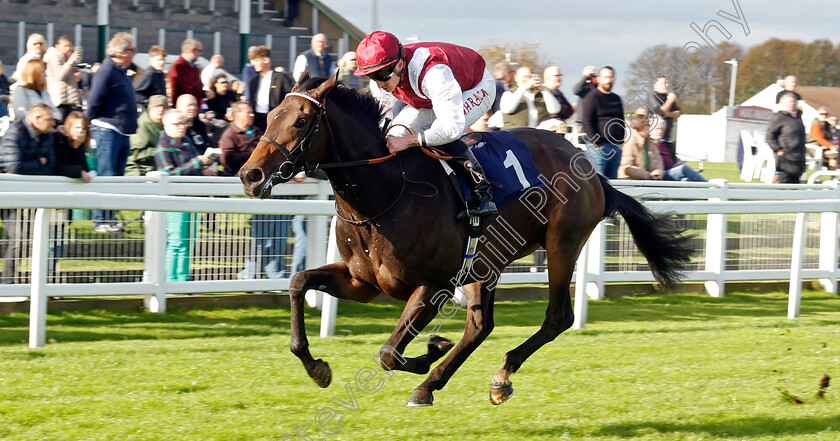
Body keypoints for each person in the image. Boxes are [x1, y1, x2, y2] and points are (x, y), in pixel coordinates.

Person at [353, 31, 498, 217]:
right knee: (394, 134)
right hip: (429, 97)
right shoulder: (382, 82)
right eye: (372, 76)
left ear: (399, 64)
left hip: (475, 87)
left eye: (382, 74)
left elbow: (450, 129)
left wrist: (409, 141)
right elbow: (381, 124)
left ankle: (483, 191)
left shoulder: (434, 73)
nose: (379, 84)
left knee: (441, 134)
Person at [154, 108, 217, 282]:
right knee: (177, 242)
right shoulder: (163, 147)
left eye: (184, 123)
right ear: (165, 125)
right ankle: (170, 280)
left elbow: (189, 168)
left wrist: (203, 167)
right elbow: (169, 174)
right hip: (174, 200)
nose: (181, 127)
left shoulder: (187, 142)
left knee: (189, 242)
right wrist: (197, 162)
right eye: (177, 124)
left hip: (190, 197)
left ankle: (183, 279)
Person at [87, 32, 138, 233]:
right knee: (106, 176)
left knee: (116, 177)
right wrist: (94, 124)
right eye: (132, 49)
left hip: (120, 131)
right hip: (107, 130)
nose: (134, 53)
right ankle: (100, 220)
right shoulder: (107, 70)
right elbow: (93, 101)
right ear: (122, 52)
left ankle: (110, 219)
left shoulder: (120, 71)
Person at [0, 104, 56, 284]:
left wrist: (36, 165)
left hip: (25, 192)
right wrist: (39, 162)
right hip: (7, 193)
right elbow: (16, 168)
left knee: (24, 239)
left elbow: (51, 166)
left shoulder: (46, 135)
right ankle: (8, 284)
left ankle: (8, 281)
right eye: (48, 120)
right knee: (19, 238)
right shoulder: (14, 134)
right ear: (36, 119)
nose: (52, 123)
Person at [580, 66, 625, 179]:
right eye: (605, 77)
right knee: (598, 185)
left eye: (611, 77)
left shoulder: (616, 99)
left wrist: (621, 142)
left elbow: (621, 120)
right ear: (598, 79)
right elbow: (587, 122)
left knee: (613, 187)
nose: (608, 80)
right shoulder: (592, 97)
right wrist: (598, 144)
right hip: (598, 149)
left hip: (615, 148)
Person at [246, 45, 294, 131]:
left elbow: (291, 98)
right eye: (252, 61)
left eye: (256, 60)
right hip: (257, 121)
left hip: (276, 120)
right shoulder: (253, 80)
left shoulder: (281, 78)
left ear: (266, 60)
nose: (253, 63)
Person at [766, 92, 806, 184]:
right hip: (785, 156)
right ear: (784, 104)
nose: (792, 104)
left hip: (799, 155)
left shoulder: (798, 117)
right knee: (785, 183)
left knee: (796, 184)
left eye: (793, 102)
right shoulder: (779, 117)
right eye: (789, 102)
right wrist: (778, 149)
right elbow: (770, 135)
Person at [43, 36, 82, 122]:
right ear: (57, 46)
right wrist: (70, 62)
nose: (69, 48)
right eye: (66, 46)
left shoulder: (63, 58)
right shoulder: (55, 56)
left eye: (70, 46)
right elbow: (59, 76)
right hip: (60, 102)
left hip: (67, 100)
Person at [126, 94, 168, 176]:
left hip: (159, 170)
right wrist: (161, 151)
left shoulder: (167, 125)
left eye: (164, 107)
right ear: (150, 109)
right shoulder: (141, 126)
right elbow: (135, 155)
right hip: (140, 171)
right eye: (157, 107)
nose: (161, 110)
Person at [618, 109, 664, 180]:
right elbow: (627, 167)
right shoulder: (630, 143)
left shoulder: (651, 143)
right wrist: (647, 176)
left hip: (650, 181)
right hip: (630, 182)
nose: (650, 128)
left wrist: (656, 174)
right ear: (640, 127)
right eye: (647, 125)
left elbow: (659, 162)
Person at [218, 101, 261, 174]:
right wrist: (253, 155)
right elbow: (226, 159)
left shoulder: (257, 131)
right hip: (238, 175)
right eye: (248, 113)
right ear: (236, 115)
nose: (252, 115)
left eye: (252, 112)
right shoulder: (229, 134)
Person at [170, 38, 210, 104]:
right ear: (192, 51)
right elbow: (180, 88)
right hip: (183, 108)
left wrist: (204, 93)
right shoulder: (178, 66)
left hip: (194, 107)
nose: (201, 53)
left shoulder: (194, 67)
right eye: (199, 51)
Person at [648, 76, 681, 143]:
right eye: (664, 83)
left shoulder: (667, 97)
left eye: (667, 83)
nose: (667, 85)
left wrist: (667, 113)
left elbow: (678, 113)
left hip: (666, 138)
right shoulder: (652, 98)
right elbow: (661, 114)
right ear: (655, 85)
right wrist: (670, 101)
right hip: (655, 139)